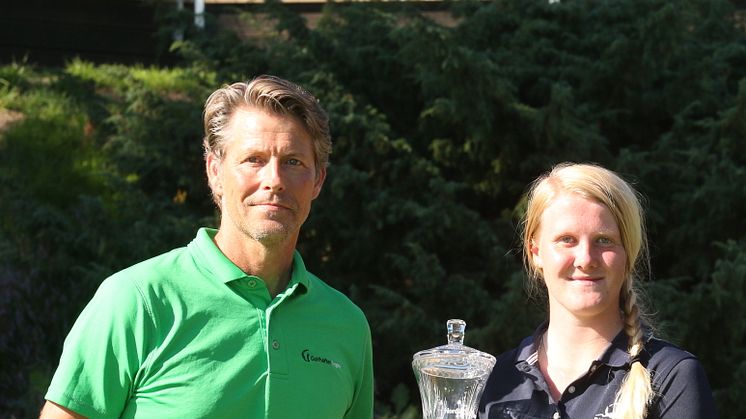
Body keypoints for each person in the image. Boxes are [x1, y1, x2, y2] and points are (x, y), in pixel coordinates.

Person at [40, 75, 374, 419]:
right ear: (215, 171)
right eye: (253, 159)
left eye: (293, 162)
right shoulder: (137, 300)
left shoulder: (347, 324)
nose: (274, 180)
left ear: (318, 179)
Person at [479, 163, 717, 419]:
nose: (586, 259)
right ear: (535, 252)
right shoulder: (495, 382)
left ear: (628, 253)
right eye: (566, 240)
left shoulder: (671, 378)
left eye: (604, 240)